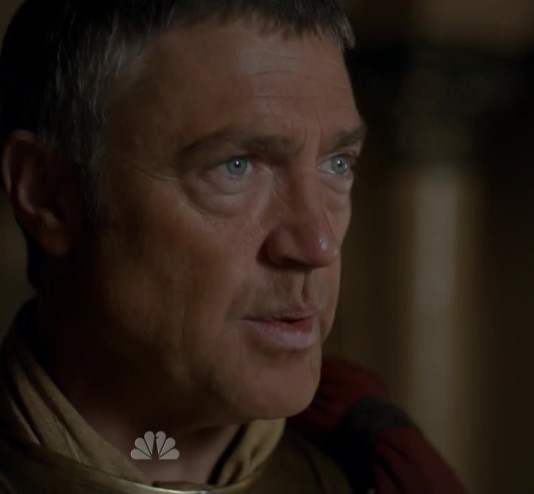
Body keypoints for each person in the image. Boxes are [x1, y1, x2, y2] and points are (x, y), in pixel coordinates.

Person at [0, 1, 467, 492]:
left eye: (337, 164)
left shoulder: (379, 476)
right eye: (236, 166)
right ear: (47, 195)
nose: (318, 245)